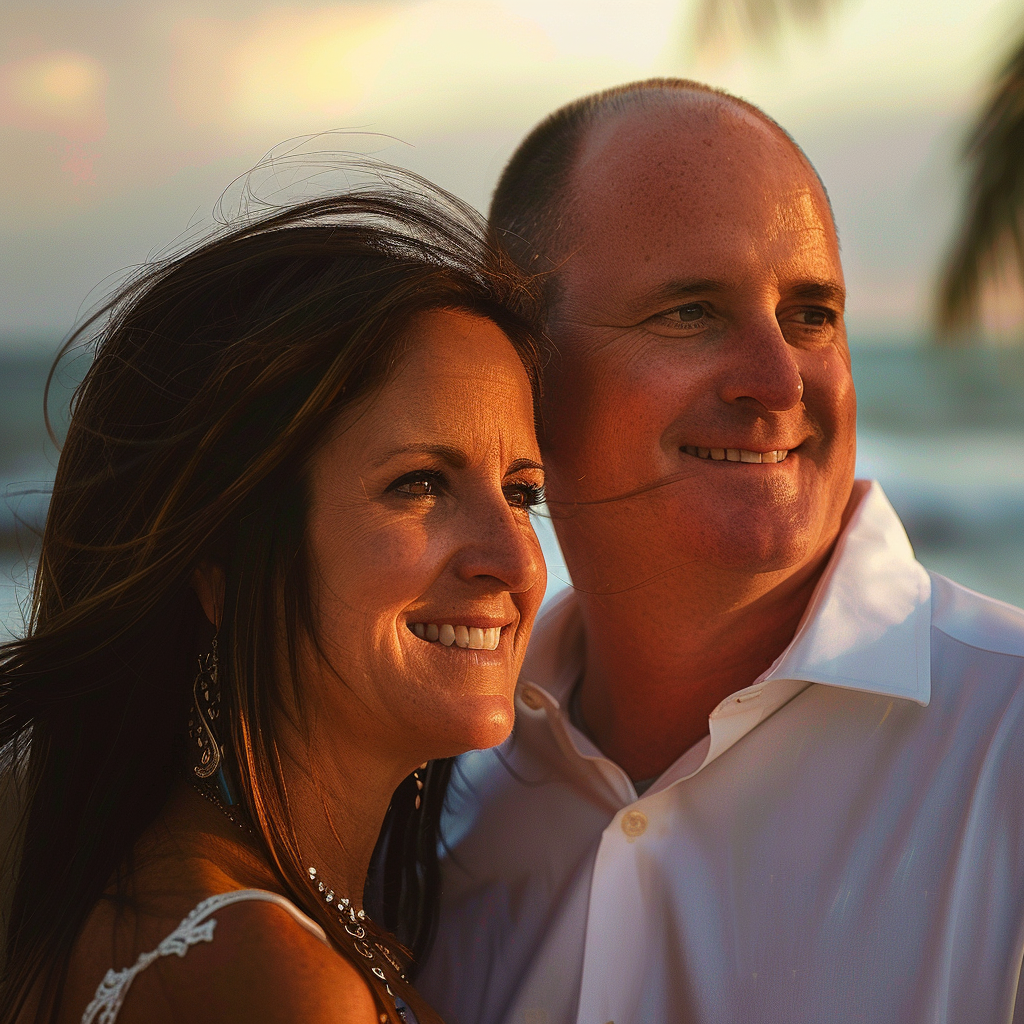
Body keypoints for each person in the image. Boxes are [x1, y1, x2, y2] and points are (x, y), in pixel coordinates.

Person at [416, 80, 1024, 1024]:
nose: (780, 382)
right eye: (692, 311)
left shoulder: (1007, 749)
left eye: (812, 314)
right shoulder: (434, 784)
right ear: (521, 369)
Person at [0, 180, 548, 1024]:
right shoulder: (268, 975)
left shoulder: (175, 900)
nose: (513, 558)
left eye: (522, 491)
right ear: (218, 564)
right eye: (421, 484)